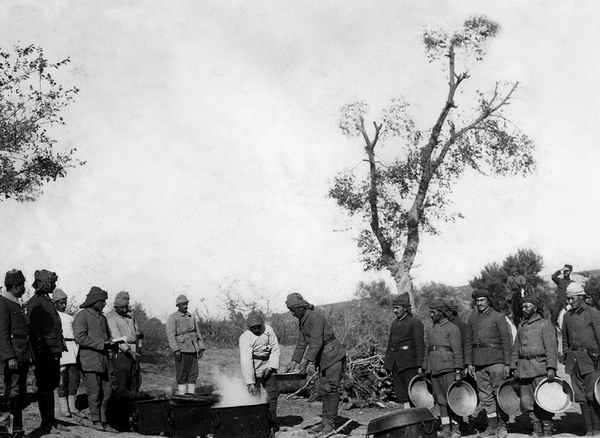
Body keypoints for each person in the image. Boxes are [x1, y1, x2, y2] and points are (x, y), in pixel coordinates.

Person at [284, 293, 346, 437]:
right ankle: (325, 423)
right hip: (323, 357)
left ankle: (330, 425)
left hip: (333, 356)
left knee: (331, 389)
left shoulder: (315, 317)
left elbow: (316, 342)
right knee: (324, 390)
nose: (291, 313)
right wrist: (294, 362)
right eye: (290, 310)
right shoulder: (303, 320)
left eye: (293, 310)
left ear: (300, 308)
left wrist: (306, 361)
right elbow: (301, 342)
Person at [464, 289, 512, 438]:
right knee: (485, 396)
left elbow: (506, 340)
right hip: (478, 362)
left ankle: (503, 426)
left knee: (499, 393)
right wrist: (469, 363)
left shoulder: (498, 317)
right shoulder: (472, 318)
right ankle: (491, 427)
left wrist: (507, 363)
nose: (479, 303)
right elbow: (468, 342)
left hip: (496, 360)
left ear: (488, 301)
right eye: (477, 301)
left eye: (482, 300)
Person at [27, 269, 68, 434]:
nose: (55, 285)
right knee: (45, 386)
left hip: (51, 351)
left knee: (50, 385)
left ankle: (50, 420)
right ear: (45, 284)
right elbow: (35, 331)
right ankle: (46, 423)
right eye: (52, 282)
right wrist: (40, 353)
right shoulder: (36, 302)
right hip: (44, 352)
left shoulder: (45, 300)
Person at [511, 291, 557, 437]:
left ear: (535, 308)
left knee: (544, 399)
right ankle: (536, 428)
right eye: (523, 307)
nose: (524, 309)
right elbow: (515, 348)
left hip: (540, 367)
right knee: (527, 401)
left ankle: (547, 428)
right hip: (524, 369)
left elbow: (551, 348)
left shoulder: (545, 324)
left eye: (527, 306)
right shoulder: (521, 326)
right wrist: (513, 366)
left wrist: (551, 367)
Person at [73, 286, 115, 431]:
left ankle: (104, 420)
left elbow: (107, 337)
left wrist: (112, 343)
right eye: (102, 301)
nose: (104, 304)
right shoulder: (82, 315)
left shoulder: (102, 317)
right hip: (89, 360)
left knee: (107, 391)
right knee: (94, 392)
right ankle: (95, 420)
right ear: (95, 301)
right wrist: (101, 344)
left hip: (104, 361)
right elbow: (80, 337)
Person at [562, 281, 600, 435]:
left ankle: (597, 428)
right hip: (574, 361)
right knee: (581, 396)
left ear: (581, 297)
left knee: (593, 394)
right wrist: (566, 353)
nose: (569, 302)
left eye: (572, 299)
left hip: (592, 360)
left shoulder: (593, 313)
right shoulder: (567, 316)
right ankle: (588, 428)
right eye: (568, 299)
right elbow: (565, 338)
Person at [424, 300, 463, 438]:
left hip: (449, 368)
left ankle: (456, 428)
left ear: (441, 313)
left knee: (453, 399)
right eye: (430, 312)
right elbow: (427, 349)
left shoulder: (452, 328)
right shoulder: (430, 329)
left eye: (433, 312)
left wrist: (458, 370)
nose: (431, 315)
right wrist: (425, 368)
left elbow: (458, 351)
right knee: (440, 400)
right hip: (434, 368)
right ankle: (446, 428)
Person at [0, 270, 30, 438]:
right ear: (14, 286)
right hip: (12, 357)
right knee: (11, 393)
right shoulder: (3, 303)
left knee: (18, 393)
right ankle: (6, 431)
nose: (24, 288)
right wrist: (9, 356)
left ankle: (16, 430)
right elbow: (2, 333)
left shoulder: (16, 303)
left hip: (21, 356)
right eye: (22, 285)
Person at [383, 293, 425, 409]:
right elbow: (390, 345)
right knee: (402, 394)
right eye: (394, 308)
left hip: (410, 365)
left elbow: (420, 345)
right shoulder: (394, 324)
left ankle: (419, 417)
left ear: (405, 308)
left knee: (413, 393)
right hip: (396, 365)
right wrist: (388, 364)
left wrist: (420, 365)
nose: (394, 311)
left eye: (397, 308)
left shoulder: (415, 322)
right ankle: (408, 416)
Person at [239, 310, 280, 421]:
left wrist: (271, 367)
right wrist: (250, 382)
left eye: (258, 327)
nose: (256, 330)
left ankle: (272, 421)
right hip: (254, 368)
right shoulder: (245, 337)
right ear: (249, 327)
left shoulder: (269, 331)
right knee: (254, 397)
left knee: (272, 395)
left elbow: (275, 349)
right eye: (253, 328)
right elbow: (246, 360)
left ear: (262, 324)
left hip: (268, 366)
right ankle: (258, 421)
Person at [106, 291, 143, 398]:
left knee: (134, 379)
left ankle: (133, 406)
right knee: (122, 380)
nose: (124, 310)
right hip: (121, 352)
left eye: (126, 307)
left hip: (134, 350)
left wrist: (139, 346)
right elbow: (116, 337)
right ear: (116, 306)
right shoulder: (111, 317)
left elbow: (137, 333)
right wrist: (128, 351)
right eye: (121, 307)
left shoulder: (130, 316)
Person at [166, 294, 205, 395]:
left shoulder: (191, 316)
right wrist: (176, 350)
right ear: (178, 306)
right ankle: (182, 394)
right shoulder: (173, 317)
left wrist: (201, 347)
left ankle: (191, 394)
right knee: (182, 373)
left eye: (186, 304)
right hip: (181, 349)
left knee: (193, 372)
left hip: (193, 348)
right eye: (183, 304)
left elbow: (197, 332)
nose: (186, 306)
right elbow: (170, 335)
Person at [52, 288, 81, 419]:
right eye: (61, 303)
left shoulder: (70, 318)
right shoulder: (52, 316)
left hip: (73, 348)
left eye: (65, 302)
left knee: (74, 378)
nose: (63, 305)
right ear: (55, 303)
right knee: (62, 379)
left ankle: (72, 405)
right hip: (61, 349)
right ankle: (64, 408)